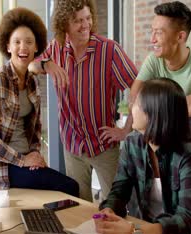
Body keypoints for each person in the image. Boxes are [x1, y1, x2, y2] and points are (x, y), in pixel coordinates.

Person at [29, 0, 138, 201]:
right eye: (77, 21)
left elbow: (139, 88)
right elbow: (31, 66)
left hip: (104, 145)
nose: (85, 25)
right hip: (73, 146)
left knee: (115, 207)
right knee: (79, 207)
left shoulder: (109, 50)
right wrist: (47, 65)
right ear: (64, 25)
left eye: (87, 18)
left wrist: (126, 129)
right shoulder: (56, 49)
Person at [94, 78, 191, 234]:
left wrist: (135, 232)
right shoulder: (132, 144)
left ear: (154, 114)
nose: (131, 109)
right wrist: (109, 210)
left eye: (137, 104)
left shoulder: (189, 156)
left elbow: (188, 219)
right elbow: (119, 191)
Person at [0, 7, 79, 197]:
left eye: (29, 42)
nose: (23, 47)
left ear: (36, 48)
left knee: (64, 186)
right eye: (16, 42)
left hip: (25, 158)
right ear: (7, 46)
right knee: (68, 187)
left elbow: (35, 128)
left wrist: (35, 155)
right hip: (3, 165)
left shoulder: (32, 81)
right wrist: (22, 161)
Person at [131, 1, 191, 117]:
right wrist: (185, 102)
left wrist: (158, 109)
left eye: (159, 33)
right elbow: (134, 101)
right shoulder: (153, 60)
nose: (152, 39)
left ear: (180, 37)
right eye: (152, 31)